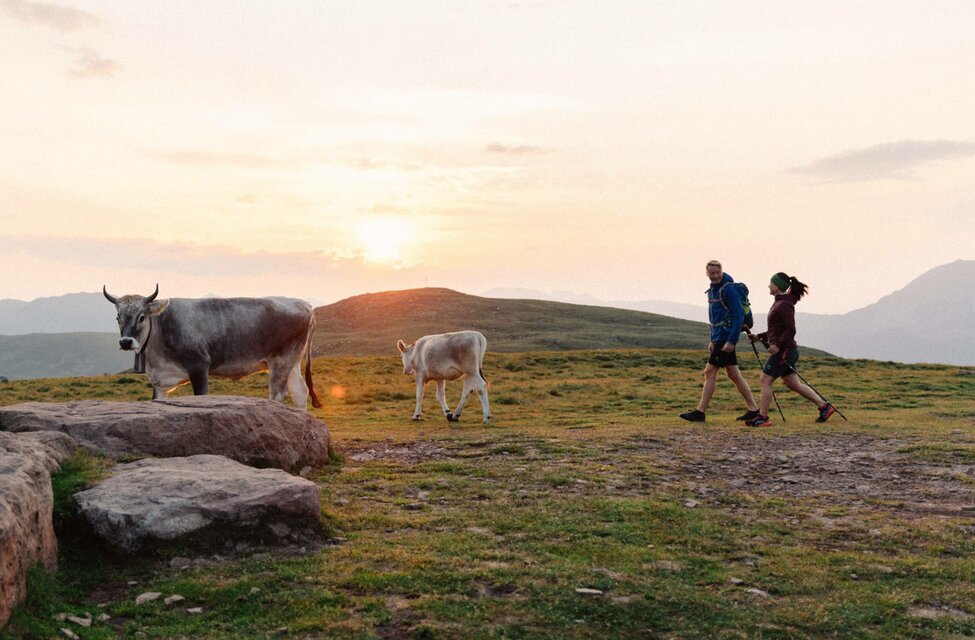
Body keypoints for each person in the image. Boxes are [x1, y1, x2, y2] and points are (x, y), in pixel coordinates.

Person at [745, 272, 836, 426]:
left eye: (771, 283)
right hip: (788, 350)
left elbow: (790, 329)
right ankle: (824, 407)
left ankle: (763, 418)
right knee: (792, 383)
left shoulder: (784, 304)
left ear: (777, 286)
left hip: (784, 351)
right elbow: (777, 329)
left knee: (765, 380)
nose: (769, 285)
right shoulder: (780, 302)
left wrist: (777, 346)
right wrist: (759, 337)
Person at [679, 260, 759, 422]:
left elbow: (738, 317)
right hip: (719, 338)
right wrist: (712, 339)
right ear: (707, 273)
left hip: (725, 338)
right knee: (733, 374)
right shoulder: (712, 290)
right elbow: (714, 317)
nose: (715, 276)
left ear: (721, 271)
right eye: (712, 273)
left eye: (718, 273)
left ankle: (700, 412)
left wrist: (731, 341)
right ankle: (753, 409)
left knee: (709, 372)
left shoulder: (728, 290)